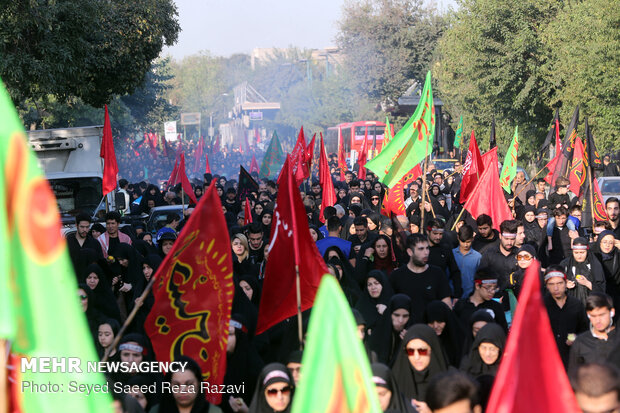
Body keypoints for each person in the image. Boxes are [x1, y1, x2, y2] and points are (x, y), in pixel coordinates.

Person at [389, 234, 452, 322]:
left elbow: (447, 304)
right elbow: (390, 306)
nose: (426, 252)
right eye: (421, 249)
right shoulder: (397, 276)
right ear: (410, 252)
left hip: (431, 330)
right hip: (406, 332)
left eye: (427, 248)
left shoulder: (437, 273)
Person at [391, 325, 449, 410]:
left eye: (422, 351)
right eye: (410, 351)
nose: (416, 357)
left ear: (433, 350)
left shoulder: (451, 382)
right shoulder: (395, 380)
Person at [542, 266, 588, 367]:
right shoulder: (541, 306)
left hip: (571, 360)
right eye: (551, 284)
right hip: (547, 361)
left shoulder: (576, 304)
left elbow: (584, 330)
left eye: (559, 283)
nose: (556, 288)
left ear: (566, 283)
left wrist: (575, 338)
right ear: (546, 286)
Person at [150, 356, 221, 413]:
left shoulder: (214, 411)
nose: (183, 390)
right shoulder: (156, 411)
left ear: (199, 383)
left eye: (189, 384)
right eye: (176, 385)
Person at [569, 293, 620, 370]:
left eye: (602, 315)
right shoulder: (581, 342)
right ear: (588, 315)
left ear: (612, 312)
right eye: (593, 316)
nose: (598, 320)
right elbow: (573, 375)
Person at [561, 237, 606, 306]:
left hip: (591, 305)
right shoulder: (566, 264)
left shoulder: (595, 265)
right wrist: (565, 284)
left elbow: (602, 288)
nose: (579, 256)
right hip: (570, 305)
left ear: (587, 251)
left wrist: (587, 283)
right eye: (576, 253)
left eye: (582, 252)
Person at [427, 219, 462, 299]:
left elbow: (455, 272)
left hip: (441, 294)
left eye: (441, 234)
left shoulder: (445, 250)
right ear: (427, 232)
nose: (438, 237)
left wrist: (457, 294)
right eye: (435, 234)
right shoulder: (420, 248)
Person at [478, 219, 518, 291]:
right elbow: (480, 276)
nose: (509, 242)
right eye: (506, 239)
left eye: (512, 239)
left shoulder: (519, 254)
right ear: (500, 236)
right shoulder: (489, 254)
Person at [452, 224, 481, 300]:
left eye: (468, 242)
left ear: (472, 239)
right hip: (453, 297)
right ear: (458, 238)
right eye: (463, 241)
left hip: (470, 298)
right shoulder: (451, 254)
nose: (465, 245)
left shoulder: (477, 257)